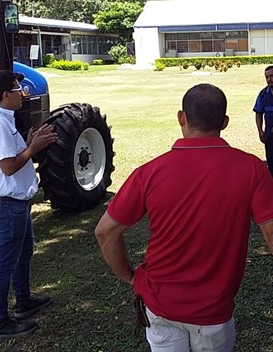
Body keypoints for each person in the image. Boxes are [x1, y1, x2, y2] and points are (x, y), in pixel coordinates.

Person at [95, 83, 273, 352]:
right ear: (224, 122)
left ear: (182, 118)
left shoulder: (149, 172)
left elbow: (105, 231)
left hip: (159, 304)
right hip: (214, 312)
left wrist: (130, 277)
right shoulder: (253, 169)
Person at [0, 69, 58, 341]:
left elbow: (10, 156)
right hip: (7, 204)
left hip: (15, 201)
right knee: (5, 262)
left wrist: (27, 143)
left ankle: (24, 302)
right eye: (17, 90)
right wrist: (33, 148)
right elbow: (9, 166)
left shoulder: (3, 118)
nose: (22, 93)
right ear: (4, 96)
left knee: (23, 253)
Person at [253, 65, 273, 176]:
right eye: (267, 77)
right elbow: (258, 113)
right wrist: (260, 131)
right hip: (270, 138)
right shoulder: (263, 94)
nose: (270, 79)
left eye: (272, 76)